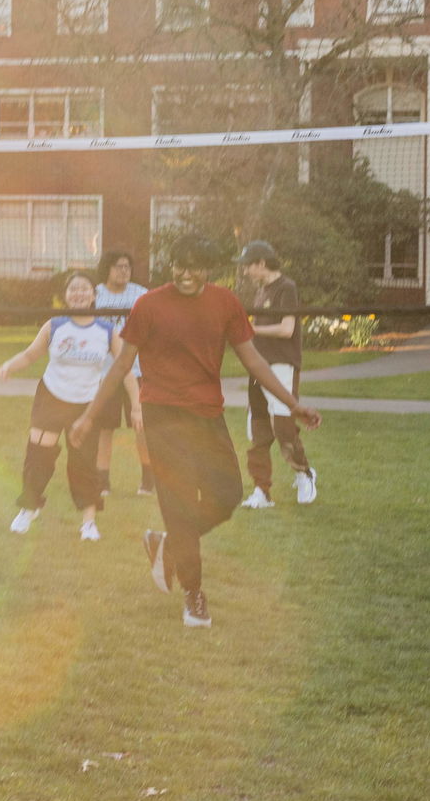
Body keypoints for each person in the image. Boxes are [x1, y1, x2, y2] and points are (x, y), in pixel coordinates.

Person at [72, 233, 320, 628]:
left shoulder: (225, 304)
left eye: (195, 266)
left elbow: (254, 359)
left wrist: (293, 404)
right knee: (180, 503)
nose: (186, 273)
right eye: (179, 265)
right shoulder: (149, 305)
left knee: (228, 495)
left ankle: (168, 541)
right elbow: (120, 365)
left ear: (209, 268)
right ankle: (193, 594)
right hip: (163, 418)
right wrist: (89, 416)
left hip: (207, 416)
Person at [0, 271, 118, 541]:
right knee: (39, 455)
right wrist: (8, 366)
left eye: (85, 289)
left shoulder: (106, 331)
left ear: (94, 295)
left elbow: (124, 369)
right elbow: (30, 354)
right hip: (51, 397)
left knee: (83, 463)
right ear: (65, 295)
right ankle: (29, 508)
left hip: (86, 404)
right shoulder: (55, 325)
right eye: (73, 289)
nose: (79, 293)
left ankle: (88, 523)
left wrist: (136, 406)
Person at [235, 240, 318, 509]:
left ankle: (304, 473)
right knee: (258, 431)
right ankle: (262, 491)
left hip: (281, 364)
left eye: (248, 266)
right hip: (258, 367)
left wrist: (251, 329)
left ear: (261, 263)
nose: (246, 271)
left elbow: (286, 329)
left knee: (283, 426)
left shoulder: (286, 288)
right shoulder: (261, 291)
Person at [91, 249, 151, 498]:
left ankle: (148, 480)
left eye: (127, 266)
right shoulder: (96, 295)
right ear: (107, 268)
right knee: (105, 428)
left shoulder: (141, 295)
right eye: (118, 266)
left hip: (137, 370)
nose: (123, 271)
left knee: (142, 426)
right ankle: (102, 481)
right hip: (106, 373)